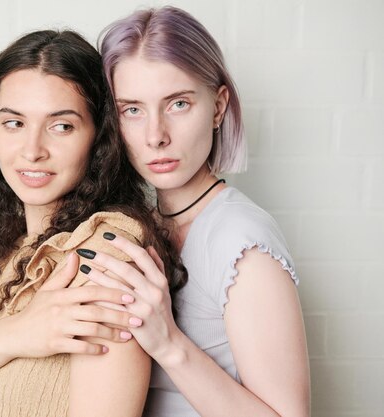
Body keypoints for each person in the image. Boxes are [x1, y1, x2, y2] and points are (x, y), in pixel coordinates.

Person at [0, 29, 186, 417]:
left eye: (61, 126)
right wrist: (18, 333)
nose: (32, 151)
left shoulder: (108, 254)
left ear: (100, 138)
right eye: (14, 123)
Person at [75, 6, 310, 416]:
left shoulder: (240, 241)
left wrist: (169, 343)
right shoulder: (139, 225)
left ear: (218, 107)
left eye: (178, 103)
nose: (155, 136)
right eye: (132, 109)